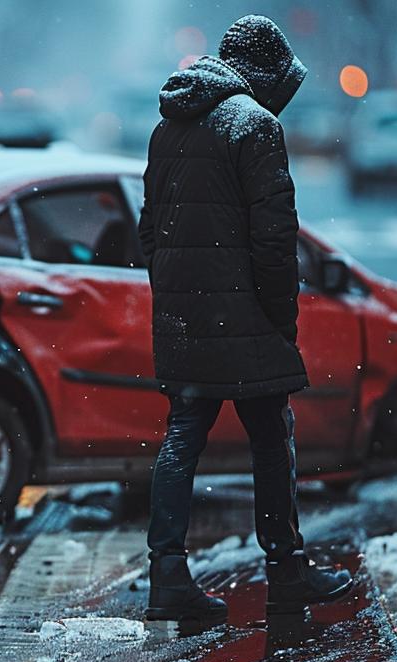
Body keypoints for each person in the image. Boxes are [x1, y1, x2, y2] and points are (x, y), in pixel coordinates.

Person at [138, 15, 354, 624]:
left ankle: (168, 576)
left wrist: (178, 293)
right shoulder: (254, 126)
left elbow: (149, 232)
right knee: (271, 436)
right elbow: (274, 242)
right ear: (263, 74)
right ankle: (287, 571)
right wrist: (279, 323)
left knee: (182, 438)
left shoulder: (167, 128)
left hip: (185, 316)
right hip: (246, 316)